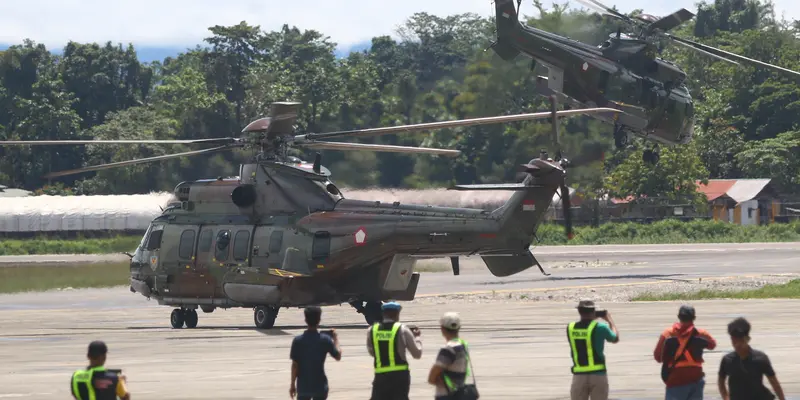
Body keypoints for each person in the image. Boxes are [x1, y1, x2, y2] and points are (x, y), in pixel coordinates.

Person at [654, 305, 717, 400]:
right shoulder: (701, 334)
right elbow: (712, 345)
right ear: (694, 318)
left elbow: (658, 357)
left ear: (679, 317)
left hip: (675, 381)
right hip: (696, 379)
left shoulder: (668, 334)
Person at [366, 301, 423, 400]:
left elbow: (372, 352)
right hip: (400, 377)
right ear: (397, 314)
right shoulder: (402, 329)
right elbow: (417, 354)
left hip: (381, 376)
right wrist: (417, 338)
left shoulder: (372, 330)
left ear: (383, 313)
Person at [718, 317, 785, 400]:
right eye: (734, 341)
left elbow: (774, 383)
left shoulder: (760, 358)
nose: (737, 345)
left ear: (748, 339)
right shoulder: (727, 360)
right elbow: (721, 382)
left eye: (741, 341)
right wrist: (726, 398)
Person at [567, 300, 619, 400]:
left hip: (579, 375)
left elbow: (584, 327)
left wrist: (591, 317)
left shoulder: (570, 328)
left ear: (579, 311)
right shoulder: (601, 327)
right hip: (598, 374)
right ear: (593, 311)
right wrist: (609, 320)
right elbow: (615, 338)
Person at [290, 306, 342, 400]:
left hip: (303, 387)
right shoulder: (325, 340)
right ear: (319, 319)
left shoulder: (298, 341)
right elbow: (338, 356)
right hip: (320, 386)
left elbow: (295, 365)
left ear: (305, 319)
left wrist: (292, 384)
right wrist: (335, 338)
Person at [427, 311, 478, 400]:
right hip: (460, 392)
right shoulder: (463, 345)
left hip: (446, 395)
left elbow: (431, 378)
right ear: (459, 328)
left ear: (442, 329)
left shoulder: (448, 349)